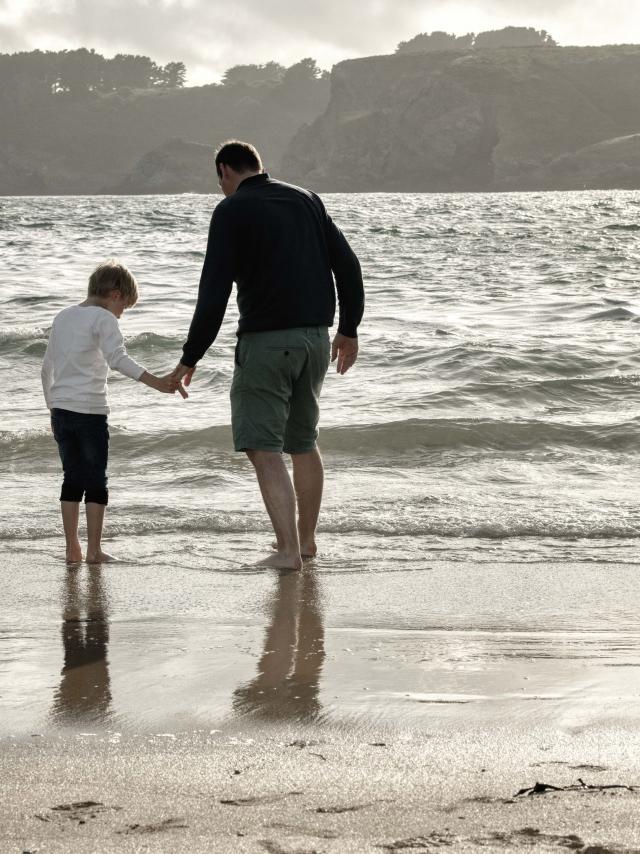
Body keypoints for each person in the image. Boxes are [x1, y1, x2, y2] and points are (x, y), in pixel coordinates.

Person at [172, 140, 364, 570]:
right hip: (316, 339)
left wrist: (191, 355)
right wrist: (349, 329)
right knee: (303, 442)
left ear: (224, 171)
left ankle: (287, 551)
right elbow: (348, 266)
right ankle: (308, 543)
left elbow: (214, 291)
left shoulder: (231, 210)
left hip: (266, 342)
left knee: (262, 447)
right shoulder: (306, 199)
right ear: (259, 166)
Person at [41, 259, 187, 565]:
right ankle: (94, 551)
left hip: (62, 412)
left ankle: (72, 549)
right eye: (124, 307)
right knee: (96, 480)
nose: (121, 314)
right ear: (116, 295)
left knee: (71, 478)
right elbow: (118, 359)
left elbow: (47, 369)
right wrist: (157, 383)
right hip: (91, 411)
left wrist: (51, 409)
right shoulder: (104, 319)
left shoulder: (63, 316)